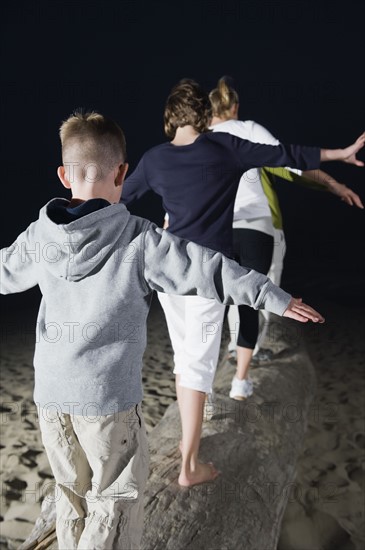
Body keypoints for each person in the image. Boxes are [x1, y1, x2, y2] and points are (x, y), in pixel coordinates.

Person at [0, 110, 328, 548]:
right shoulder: (138, 238)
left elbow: (3, 272)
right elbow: (208, 269)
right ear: (122, 172)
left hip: (51, 398)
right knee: (114, 500)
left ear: (64, 174)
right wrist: (273, 296)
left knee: (70, 494)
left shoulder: (38, 237)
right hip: (107, 402)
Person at [120, 78, 365, 487]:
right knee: (198, 367)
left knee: (185, 361)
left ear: (169, 118)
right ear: (202, 113)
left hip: (165, 276)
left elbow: (119, 200)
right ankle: (189, 466)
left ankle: (186, 444)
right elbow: (285, 154)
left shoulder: (154, 159)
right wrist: (340, 153)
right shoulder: (224, 148)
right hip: (207, 276)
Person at [209, 76, 364, 397]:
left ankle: (224, 361)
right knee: (259, 291)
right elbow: (292, 164)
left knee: (222, 294)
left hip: (217, 227)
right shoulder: (250, 133)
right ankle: (242, 365)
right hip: (259, 226)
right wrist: (335, 184)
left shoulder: (202, 140)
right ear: (235, 107)